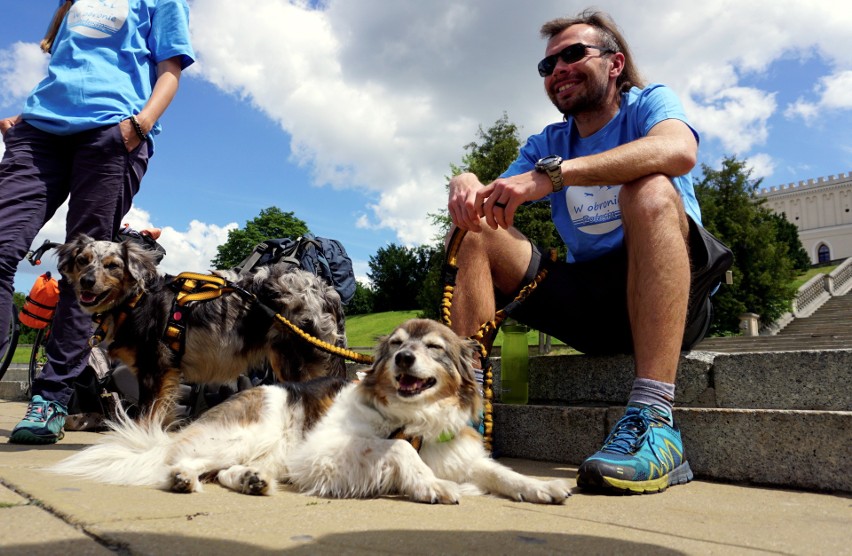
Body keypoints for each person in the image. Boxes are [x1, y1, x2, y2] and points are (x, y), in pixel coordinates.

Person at [447, 10, 730, 494]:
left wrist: (556, 176)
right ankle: (461, 413)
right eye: (548, 64)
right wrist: (469, 183)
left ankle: (655, 420)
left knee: (650, 191)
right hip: (592, 304)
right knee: (477, 235)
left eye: (573, 54)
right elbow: (496, 196)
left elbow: (678, 150)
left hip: (673, 301)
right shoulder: (548, 141)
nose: (557, 68)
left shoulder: (648, 104)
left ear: (615, 63)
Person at [0, 0, 194, 444]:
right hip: (38, 131)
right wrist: (24, 121)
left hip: (111, 132)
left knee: (85, 274)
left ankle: (51, 398)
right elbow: (72, 68)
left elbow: (170, 70)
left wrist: (139, 125)